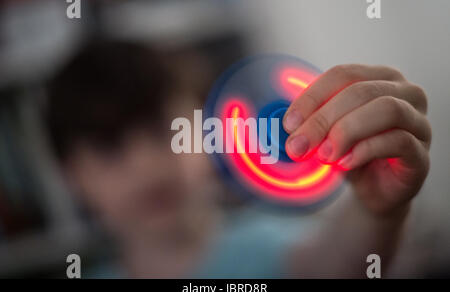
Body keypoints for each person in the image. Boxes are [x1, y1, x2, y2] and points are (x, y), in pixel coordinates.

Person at [45, 40, 430, 278]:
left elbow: (339, 265)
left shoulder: (277, 245)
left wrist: (378, 212)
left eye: (165, 130)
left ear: (215, 126)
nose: (148, 164)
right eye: (109, 146)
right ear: (71, 177)